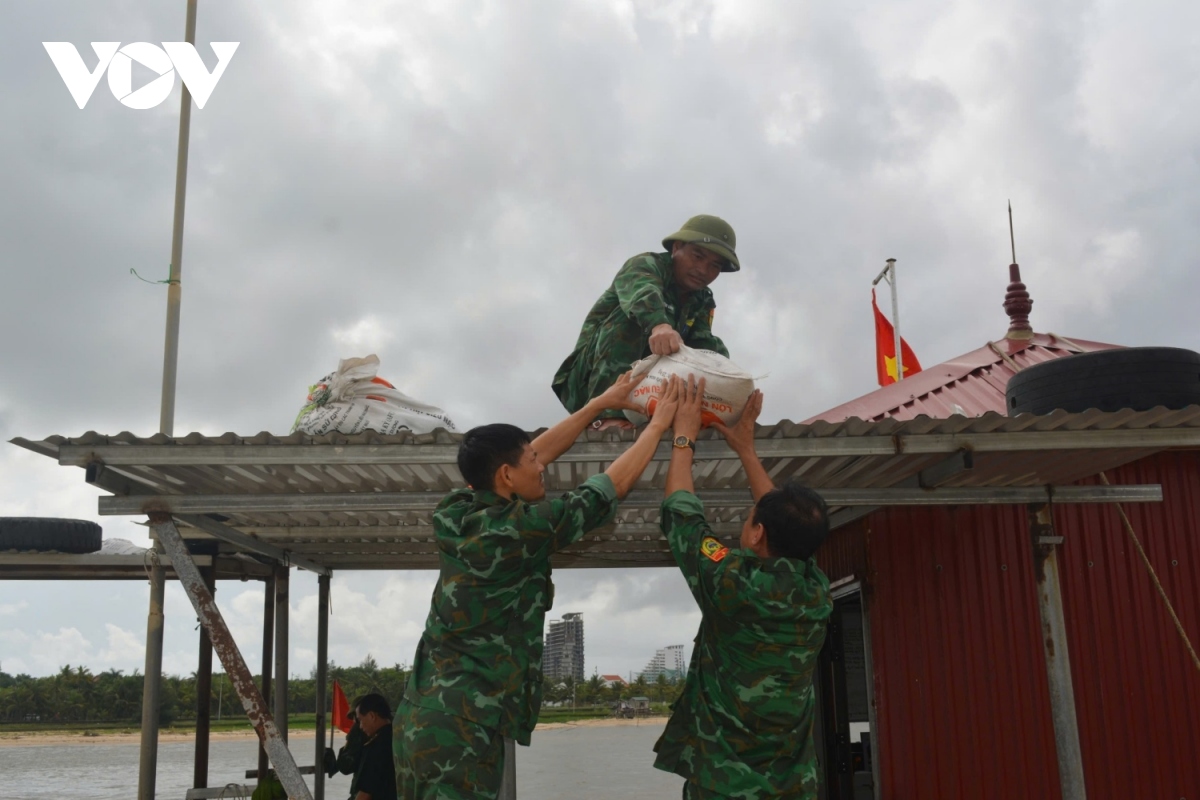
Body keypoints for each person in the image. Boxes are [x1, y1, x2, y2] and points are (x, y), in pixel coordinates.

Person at [396, 373, 683, 799]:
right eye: (531, 461)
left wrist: (599, 404)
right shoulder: (521, 529)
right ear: (508, 475)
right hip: (460, 732)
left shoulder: (456, 511)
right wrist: (661, 426)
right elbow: (609, 487)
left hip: (423, 716)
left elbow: (535, 454)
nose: (542, 465)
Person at [653, 377, 834, 799]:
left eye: (751, 518)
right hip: (793, 787)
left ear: (756, 535)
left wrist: (683, 436)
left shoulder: (731, 581)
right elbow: (788, 528)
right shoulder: (816, 591)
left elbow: (682, 514)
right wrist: (746, 450)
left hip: (724, 785)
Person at [551, 214, 739, 430]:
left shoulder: (702, 299)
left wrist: (729, 380)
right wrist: (660, 325)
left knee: (715, 354)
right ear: (677, 247)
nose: (703, 270)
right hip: (587, 383)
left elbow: (702, 344)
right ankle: (607, 415)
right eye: (697, 256)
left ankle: (692, 419)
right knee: (632, 322)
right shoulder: (646, 265)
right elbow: (643, 293)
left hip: (648, 392)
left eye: (714, 265)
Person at [351, 693, 396, 800]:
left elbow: (365, 792)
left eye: (360, 720)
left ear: (372, 716)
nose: (361, 726)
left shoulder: (376, 746)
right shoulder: (398, 737)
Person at [323, 701, 366, 800]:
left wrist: (348, 743)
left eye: (357, 719)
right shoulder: (391, 730)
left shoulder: (358, 730)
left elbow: (345, 767)